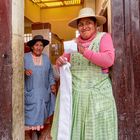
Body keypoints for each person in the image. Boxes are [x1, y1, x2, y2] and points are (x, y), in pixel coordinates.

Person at [51, 7, 118, 140]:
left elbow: (108, 60)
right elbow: (61, 67)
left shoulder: (103, 38)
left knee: (96, 133)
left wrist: (84, 51)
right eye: (81, 24)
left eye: (88, 23)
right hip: (76, 98)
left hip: (98, 98)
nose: (84, 27)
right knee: (77, 132)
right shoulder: (72, 43)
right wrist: (59, 62)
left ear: (95, 25)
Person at [24, 35, 56, 139]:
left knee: (42, 119)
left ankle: (39, 135)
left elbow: (50, 73)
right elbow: (16, 71)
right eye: (36, 45)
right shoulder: (25, 57)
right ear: (32, 47)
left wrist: (52, 84)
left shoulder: (46, 58)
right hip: (31, 94)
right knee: (29, 121)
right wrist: (24, 72)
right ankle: (30, 135)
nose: (39, 47)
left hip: (43, 93)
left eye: (41, 45)